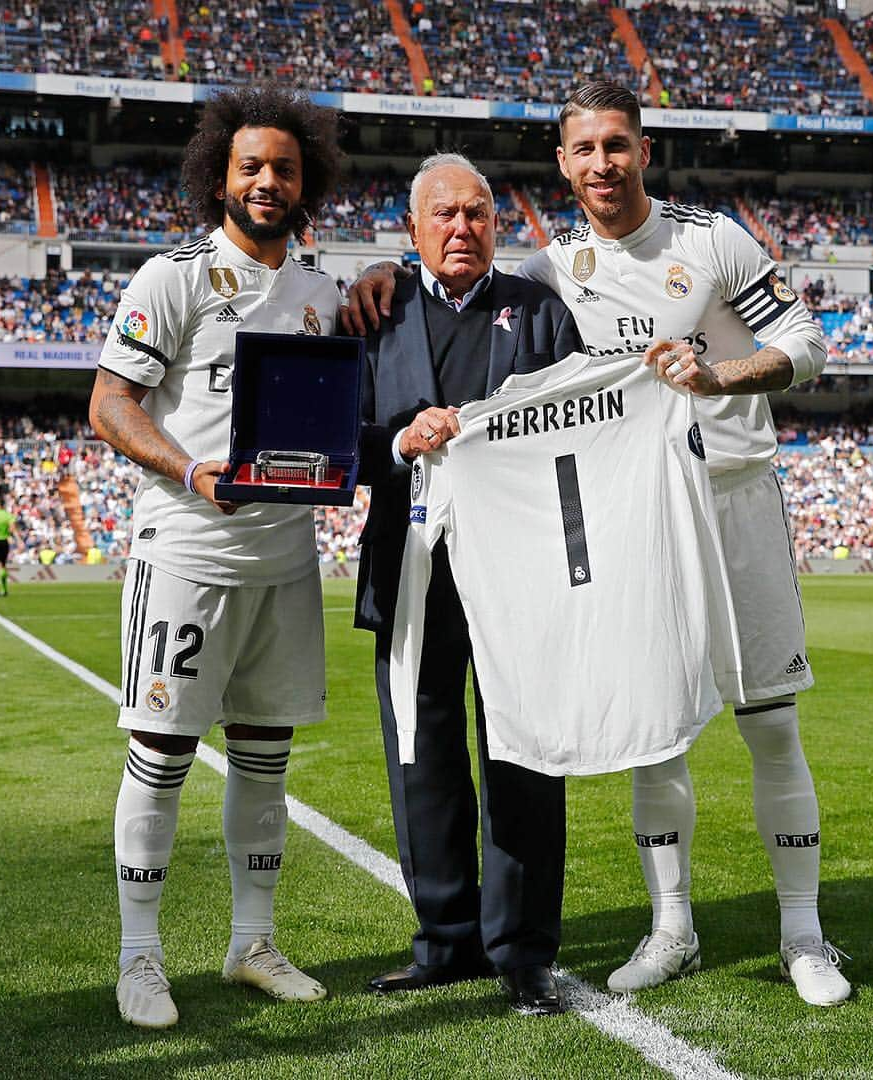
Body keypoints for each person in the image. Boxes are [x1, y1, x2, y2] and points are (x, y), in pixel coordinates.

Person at [344, 83, 849, 1008]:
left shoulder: (712, 239)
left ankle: (806, 936)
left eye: (617, 145)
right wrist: (379, 271)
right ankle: (671, 928)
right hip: (639, 520)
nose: (601, 164)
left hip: (732, 501)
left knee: (770, 723)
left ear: (643, 151)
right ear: (563, 163)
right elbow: (453, 269)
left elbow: (810, 345)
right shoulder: (551, 269)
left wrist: (718, 373)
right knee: (657, 734)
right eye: (583, 150)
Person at [88, 84, 343, 1030]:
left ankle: (252, 943)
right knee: (160, 753)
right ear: (219, 177)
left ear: (305, 178)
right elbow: (110, 404)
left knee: (265, 760)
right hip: (189, 550)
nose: (268, 181)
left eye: (283, 166)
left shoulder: (323, 294)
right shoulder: (173, 276)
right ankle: (139, 956)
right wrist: (192, 471)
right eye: (251, 167)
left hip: (284, 554)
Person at [354, 153, 582, 1016]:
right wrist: (404, 442)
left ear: (498, 225)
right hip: (409, 568)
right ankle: (444, 943)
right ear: (412, 230)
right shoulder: (374, 311)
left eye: (479, 213)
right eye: (444, 214)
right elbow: (347, 443)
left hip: (519, 572)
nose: (463, 227)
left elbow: (577, 438)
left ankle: (524, 952)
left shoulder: (539, 313)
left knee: (523, 759)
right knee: (424, 759)